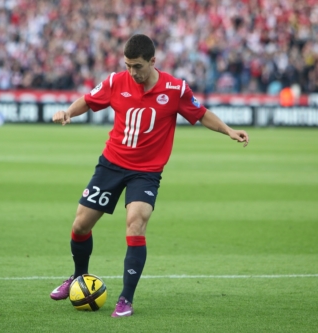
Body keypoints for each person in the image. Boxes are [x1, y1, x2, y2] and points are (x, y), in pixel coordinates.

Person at [50, 34, 249, 317]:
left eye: (138, 66)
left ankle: (126, 299)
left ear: (153, 61)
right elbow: (88, 100)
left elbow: (201, 113)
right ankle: (78, 277)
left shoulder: (175, 89)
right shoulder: (115, 81)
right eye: (128, 65)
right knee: (81, 225)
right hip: (111, 164)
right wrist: (69, 112)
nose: (133, 72)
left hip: (146, 172)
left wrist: (228, 130)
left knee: (136, 222)